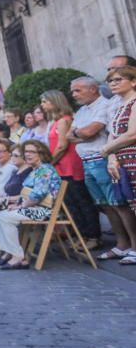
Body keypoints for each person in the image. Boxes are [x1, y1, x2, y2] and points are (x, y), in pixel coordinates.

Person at [69, 76, 136, 262]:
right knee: (104, 204)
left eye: (78, 90)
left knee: (119, 203)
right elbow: (70, 135)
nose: (74, 94)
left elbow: (92, 132)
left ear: (92, 89)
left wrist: (81, 133)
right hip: (87, 161)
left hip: (102, 158)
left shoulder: (104, 105)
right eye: (73, 91)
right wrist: (80, 133)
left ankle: (133, 245)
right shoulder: (81, 111)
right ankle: (121, 244)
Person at [42, 89, 101, 247]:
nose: (42, 105)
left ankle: (93, 236)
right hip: (61, 167)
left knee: (81, 200)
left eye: (45, 101)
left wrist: (50, 163)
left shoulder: (64, 120)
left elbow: (62, 145)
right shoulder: (54, 121)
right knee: (71, 203)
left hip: (69, 165)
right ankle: (81, 235)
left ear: (55, 102)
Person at [0, 140, 62, 270]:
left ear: (41, 154)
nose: (28, 155)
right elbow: (27, 195)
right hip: (35, 208)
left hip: (44, 211)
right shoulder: (35, 170)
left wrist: (20, 206)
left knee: (5, 218)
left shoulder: (44, 169)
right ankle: (9, 252)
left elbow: (37, 195)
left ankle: (17, 257)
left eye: (32, 152)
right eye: (26, 152)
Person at [102, 66, 136, 264]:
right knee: (129, 204)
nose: (113, 83)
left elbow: (132, 134)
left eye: (118, 79)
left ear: (133, 81)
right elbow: (113, 134)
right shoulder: (119, 106)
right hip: (122, 162)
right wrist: (111, 157)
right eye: (111, 81)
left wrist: (106, 149)